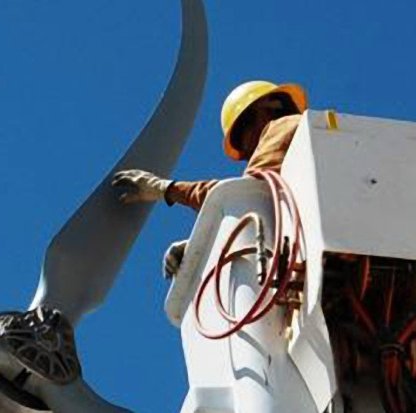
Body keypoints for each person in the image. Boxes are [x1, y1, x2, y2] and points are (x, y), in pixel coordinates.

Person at [113, 80, 308, 277]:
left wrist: (165, 188)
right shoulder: (306, 164)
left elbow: (241, 194)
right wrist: (201, 247)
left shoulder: (285, 126)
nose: (248, 151)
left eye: (243, 131)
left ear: (268, 108)